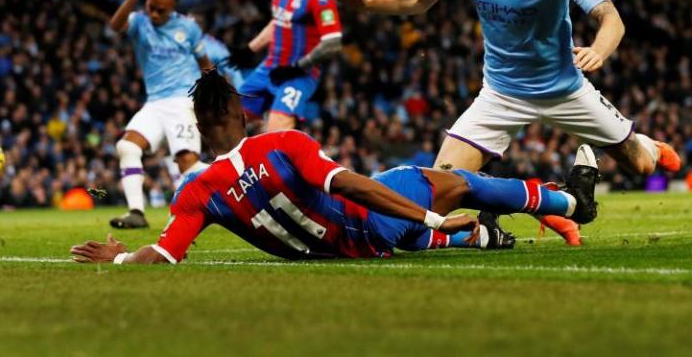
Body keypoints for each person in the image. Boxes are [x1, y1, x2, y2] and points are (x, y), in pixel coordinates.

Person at [325, 0, 680, 246]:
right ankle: (550, 202)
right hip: (500, 94)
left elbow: (610, 16)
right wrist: (368, 4)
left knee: (643, 165)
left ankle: (648, 143)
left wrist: (599, 50)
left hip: (564, 90)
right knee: (439, 190)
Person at [69, 69, 598, 264]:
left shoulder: (196, 192)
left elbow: (163, 253)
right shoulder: (281, 144)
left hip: (339, 249)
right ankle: (571, 200)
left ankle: (483, 241)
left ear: (201, 128)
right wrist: (434, 216)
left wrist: (117, 259)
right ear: (239, 111)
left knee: (397, 212)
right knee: (452, 182)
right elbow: (353, 187)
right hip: (367, 227)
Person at [107, 0, 212, 229]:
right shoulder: (140, 23)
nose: (154, 15)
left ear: (173, 8)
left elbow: (204, 63)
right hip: (154, 103)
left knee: (187, 163)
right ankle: (136, 213)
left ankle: (228, 189)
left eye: (160, 11)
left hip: (182, 100)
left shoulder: (188, 28)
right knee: (127, 146)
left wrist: (215, 95)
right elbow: (114, 25)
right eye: (151, 8)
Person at [228, 0, 342, 132]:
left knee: (274, 131)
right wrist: (249, 50)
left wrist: (297, 67)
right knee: (230, 122)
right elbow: (278, 22)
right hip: (269, 68)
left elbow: (333, 44)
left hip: (298, 76)